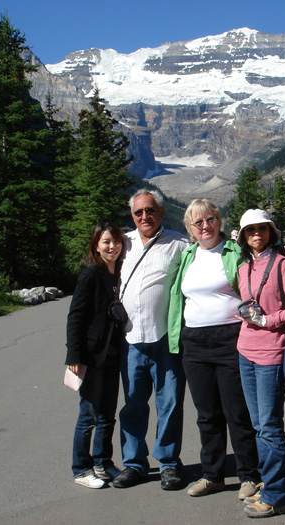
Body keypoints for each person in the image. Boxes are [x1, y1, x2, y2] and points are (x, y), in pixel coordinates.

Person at [168, 199, 261, 500]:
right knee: (207, 413)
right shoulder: (188, 256)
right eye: (198, 222)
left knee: (237, 410)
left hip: (230, 337)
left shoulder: (234, 251)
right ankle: (213, 475)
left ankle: (249, 475)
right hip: (193, 341)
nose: (205, 226)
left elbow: (255, 284)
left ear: (219, 222)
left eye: (210, 219)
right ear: (190, 229)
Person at [113, 189, 190, 491]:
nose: (145, 216)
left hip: (165, 339)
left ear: (160, 211)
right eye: (138, 212)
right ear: (132, 215)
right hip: (130, 339)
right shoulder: (124, 243)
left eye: (150, 210)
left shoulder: (179, 244)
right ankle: (134, 464)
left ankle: (169, 463)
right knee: (132, 404)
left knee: (169, 402)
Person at [235, 209, 285, 518]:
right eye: (250, 230)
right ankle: (270, 485)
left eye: (262, 229)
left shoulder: (284, 265)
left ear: (271, 232)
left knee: (269, 427)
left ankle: (277, 495)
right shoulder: (243, 268)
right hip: (245, 352)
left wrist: (269, 320)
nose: (256, 234)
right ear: (242, 236)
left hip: (271, 355)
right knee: (258, 426)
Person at [65, 222, 126, 489]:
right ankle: (81, 468)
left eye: (116, 241)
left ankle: (103, 462)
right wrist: (74, 355)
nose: (112, 246)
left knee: (108, 414)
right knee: (88, 414)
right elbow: (76, 317)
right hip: (92, 355)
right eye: (106, 242)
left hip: (114, 354)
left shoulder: (122, 275)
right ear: (96, 246)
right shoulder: (91, 275)